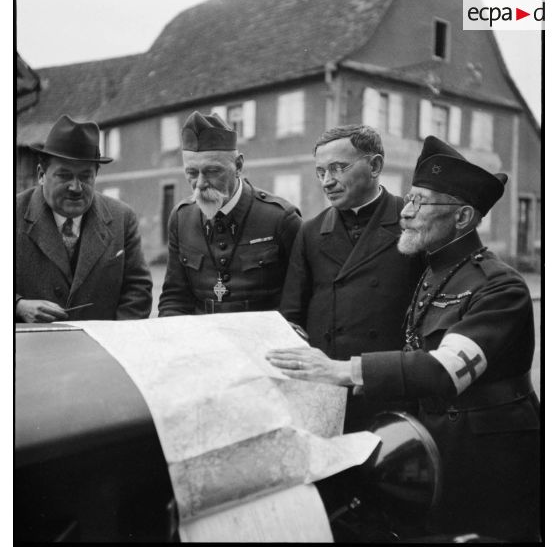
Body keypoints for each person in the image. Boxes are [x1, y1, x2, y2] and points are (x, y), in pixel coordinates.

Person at [267, 135, 540, 541]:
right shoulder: (434, 273)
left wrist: (344, 369)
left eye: (420, 203)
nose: (406, 213)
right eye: (408, 199)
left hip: (486, 461)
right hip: (435, 447)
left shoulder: (501, 287)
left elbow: (447, 370)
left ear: (463, 218)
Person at [279, 124, 424, 432]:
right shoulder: (310, 232)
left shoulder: (411, 223)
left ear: (375, 166)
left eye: (338, 168)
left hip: (386, 388)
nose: (327, 182)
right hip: (326, 391)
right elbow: (291, 317)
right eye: (320, 172)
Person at [158, 111, 301, 315]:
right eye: (191, 173)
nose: (200, 184)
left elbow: (299, 300)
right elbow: (174, 297)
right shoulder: (181, 218)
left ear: (238, 166)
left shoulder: (280, 218)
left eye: (213, 171)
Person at [16, 115, 153, 322]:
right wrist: (17, 306)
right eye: (64, 175)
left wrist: (113, 341)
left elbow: (138, 291)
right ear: (41, 174)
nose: (76, 187)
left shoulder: (122, 218)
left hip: (99, 350)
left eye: (85, 176)